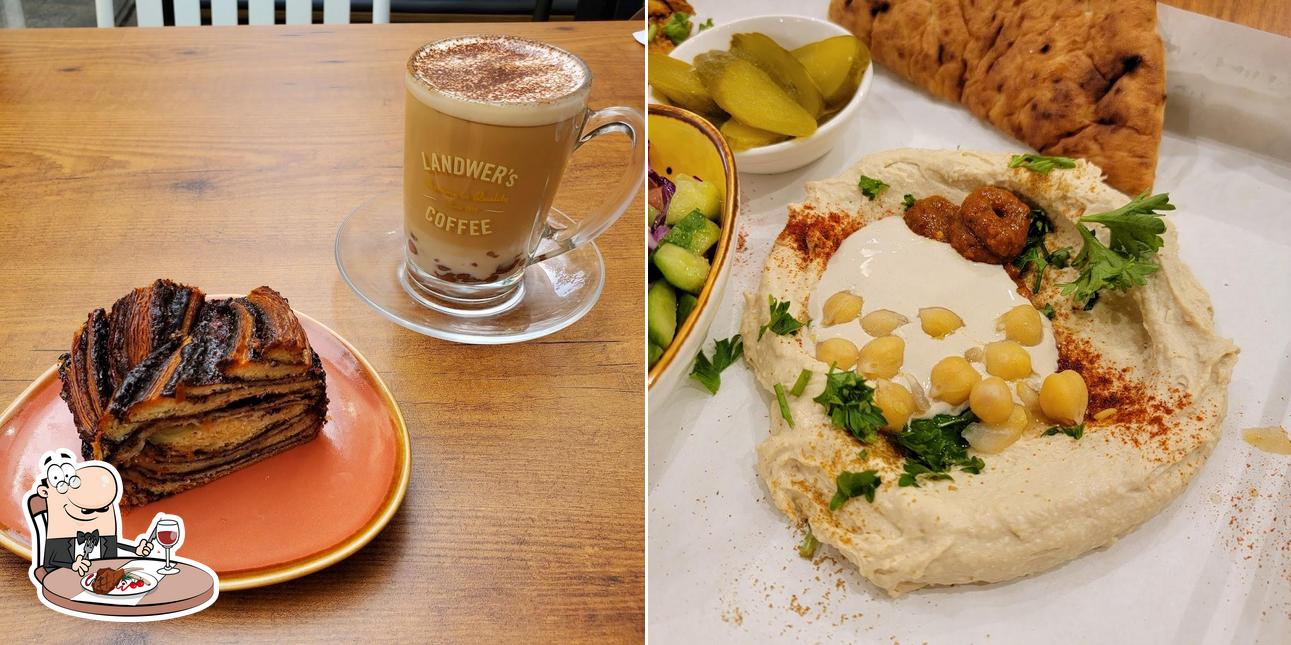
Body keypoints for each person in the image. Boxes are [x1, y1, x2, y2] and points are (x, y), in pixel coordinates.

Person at [33, 451, 152, 577]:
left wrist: (135, 550)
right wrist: (72, 565)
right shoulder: (60, 532)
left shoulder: (103, 522)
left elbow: (112, 545)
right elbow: (51, 562)